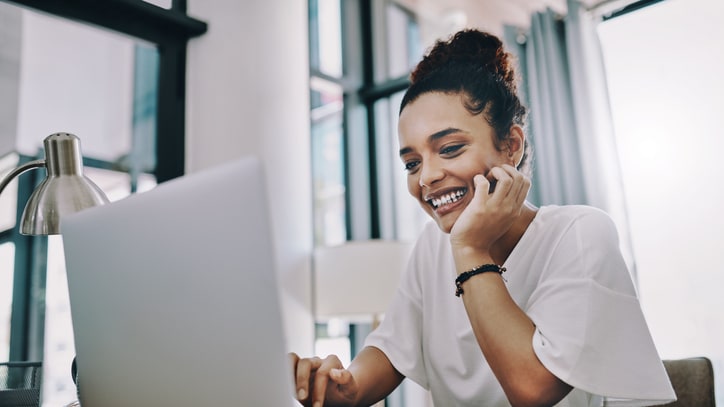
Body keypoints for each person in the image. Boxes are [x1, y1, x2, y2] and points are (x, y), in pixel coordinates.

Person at [290, 29, 676, 407]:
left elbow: (532, 389)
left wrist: (472, 249)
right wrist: (346, 387)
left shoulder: (579, 233)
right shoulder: (431, 246)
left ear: (511, 146)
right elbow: (390, 348)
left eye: (451, 148)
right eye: (411, 163)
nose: (426, 177)